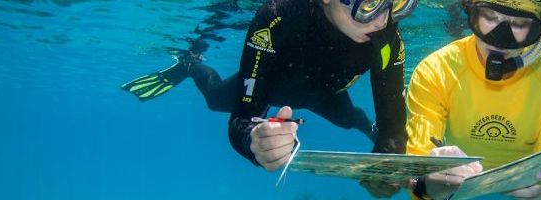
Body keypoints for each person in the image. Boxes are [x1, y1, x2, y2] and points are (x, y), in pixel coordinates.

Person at [121, 0, 415, 173]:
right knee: (214, 99)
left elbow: (393, 129)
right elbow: (243, 118)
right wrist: (255, 142)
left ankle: (367, 129)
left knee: (353, 120)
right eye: (369, 4)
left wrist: (389, 154)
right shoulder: (278, 17)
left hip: (325, 94)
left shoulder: (387, 37)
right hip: (271, 86)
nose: (383, 19)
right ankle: (190, 65)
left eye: (399, 2)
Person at [404, 0, 541, 199]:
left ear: (538, 30)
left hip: (520, 181)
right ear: (472, 14)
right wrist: (427, 183)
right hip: (453, 179)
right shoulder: (435, 71)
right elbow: (419, 159)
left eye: (519, 24)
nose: (500, 37)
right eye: (490, 17)